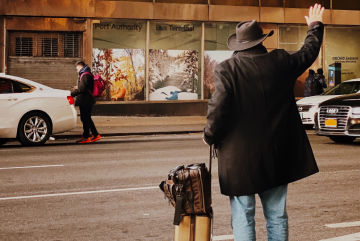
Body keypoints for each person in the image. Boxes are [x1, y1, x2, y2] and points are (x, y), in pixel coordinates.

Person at [203, 4, 324, 241]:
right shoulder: (280, 61)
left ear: (238, 46)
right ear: (261, 41)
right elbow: (308, 52)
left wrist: (209, 134)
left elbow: (218, 108)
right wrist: (314, 26)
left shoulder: (227, 70)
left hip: (239, 161)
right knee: (277, 215)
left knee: (243, 216)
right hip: (275, 156)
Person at [71, 61, 101, 144]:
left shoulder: (85, 75)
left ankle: (87, 136)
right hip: (87, 99)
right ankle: (94, 134)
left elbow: (82, 89)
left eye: (77, 69)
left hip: (85, 100)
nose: (77, 71)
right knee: (86, 118)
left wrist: (72, 94)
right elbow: (84, 87)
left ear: (80, 67)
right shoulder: (87, 74)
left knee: (85, 118)